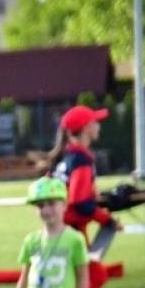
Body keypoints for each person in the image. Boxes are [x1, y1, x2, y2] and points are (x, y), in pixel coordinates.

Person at [46, 105, 120, 259]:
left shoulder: (64, 156)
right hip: (71, 228)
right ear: (86, 128)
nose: (98, 126)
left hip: (57, 225)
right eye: (95, 122)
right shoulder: (81, 159)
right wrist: (108, 220)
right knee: (91, 275)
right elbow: (80, 202)